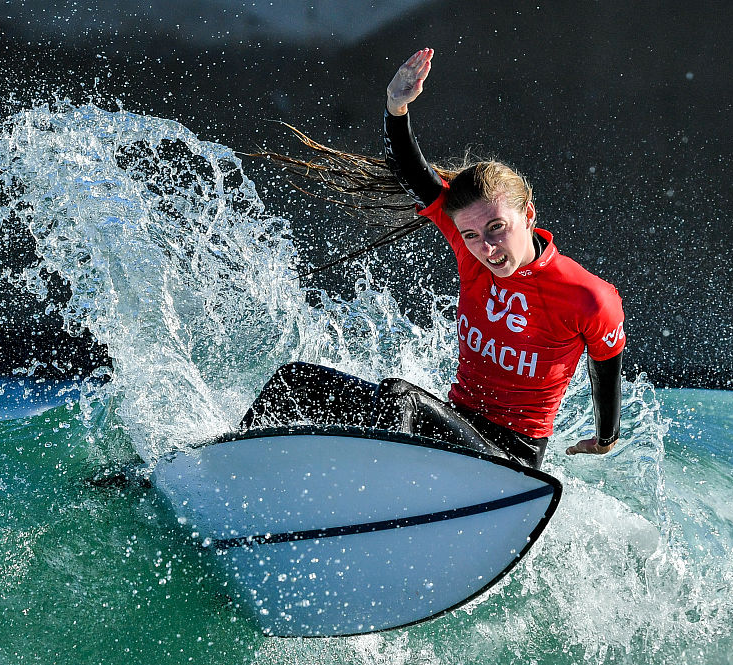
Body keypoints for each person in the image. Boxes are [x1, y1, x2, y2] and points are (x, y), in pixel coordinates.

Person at [243, 48, 626, 471]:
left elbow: (604, 369)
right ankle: (228, 475)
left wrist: (605, 439)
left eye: (497, 228)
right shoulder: (471, 251)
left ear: (528, 215)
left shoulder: (588, 297)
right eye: (471, 235)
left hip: (509, 460)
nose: (487, 248)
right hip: (451, 427)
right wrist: (396, 106)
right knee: (295, 383)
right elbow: (411, 171)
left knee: (398, 400)